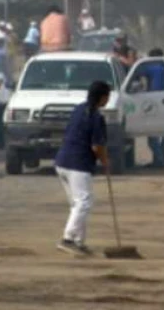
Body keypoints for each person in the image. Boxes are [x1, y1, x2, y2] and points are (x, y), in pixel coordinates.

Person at [55, 81, 111, 257]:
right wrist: (105, 161)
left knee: (76, 204)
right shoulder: (96, 117)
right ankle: (68, 239)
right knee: (83, 202)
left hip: (62, 162)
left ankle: (79, 241)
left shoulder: (79, 109)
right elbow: (96, 146)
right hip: (78, 164)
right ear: (102, 97)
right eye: (107, 96)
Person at [144, 48, 164, 168]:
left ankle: (159, 160)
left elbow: (137, 74)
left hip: (153, 103)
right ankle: (162, 159)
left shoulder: (150, 69)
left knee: (152, 134)